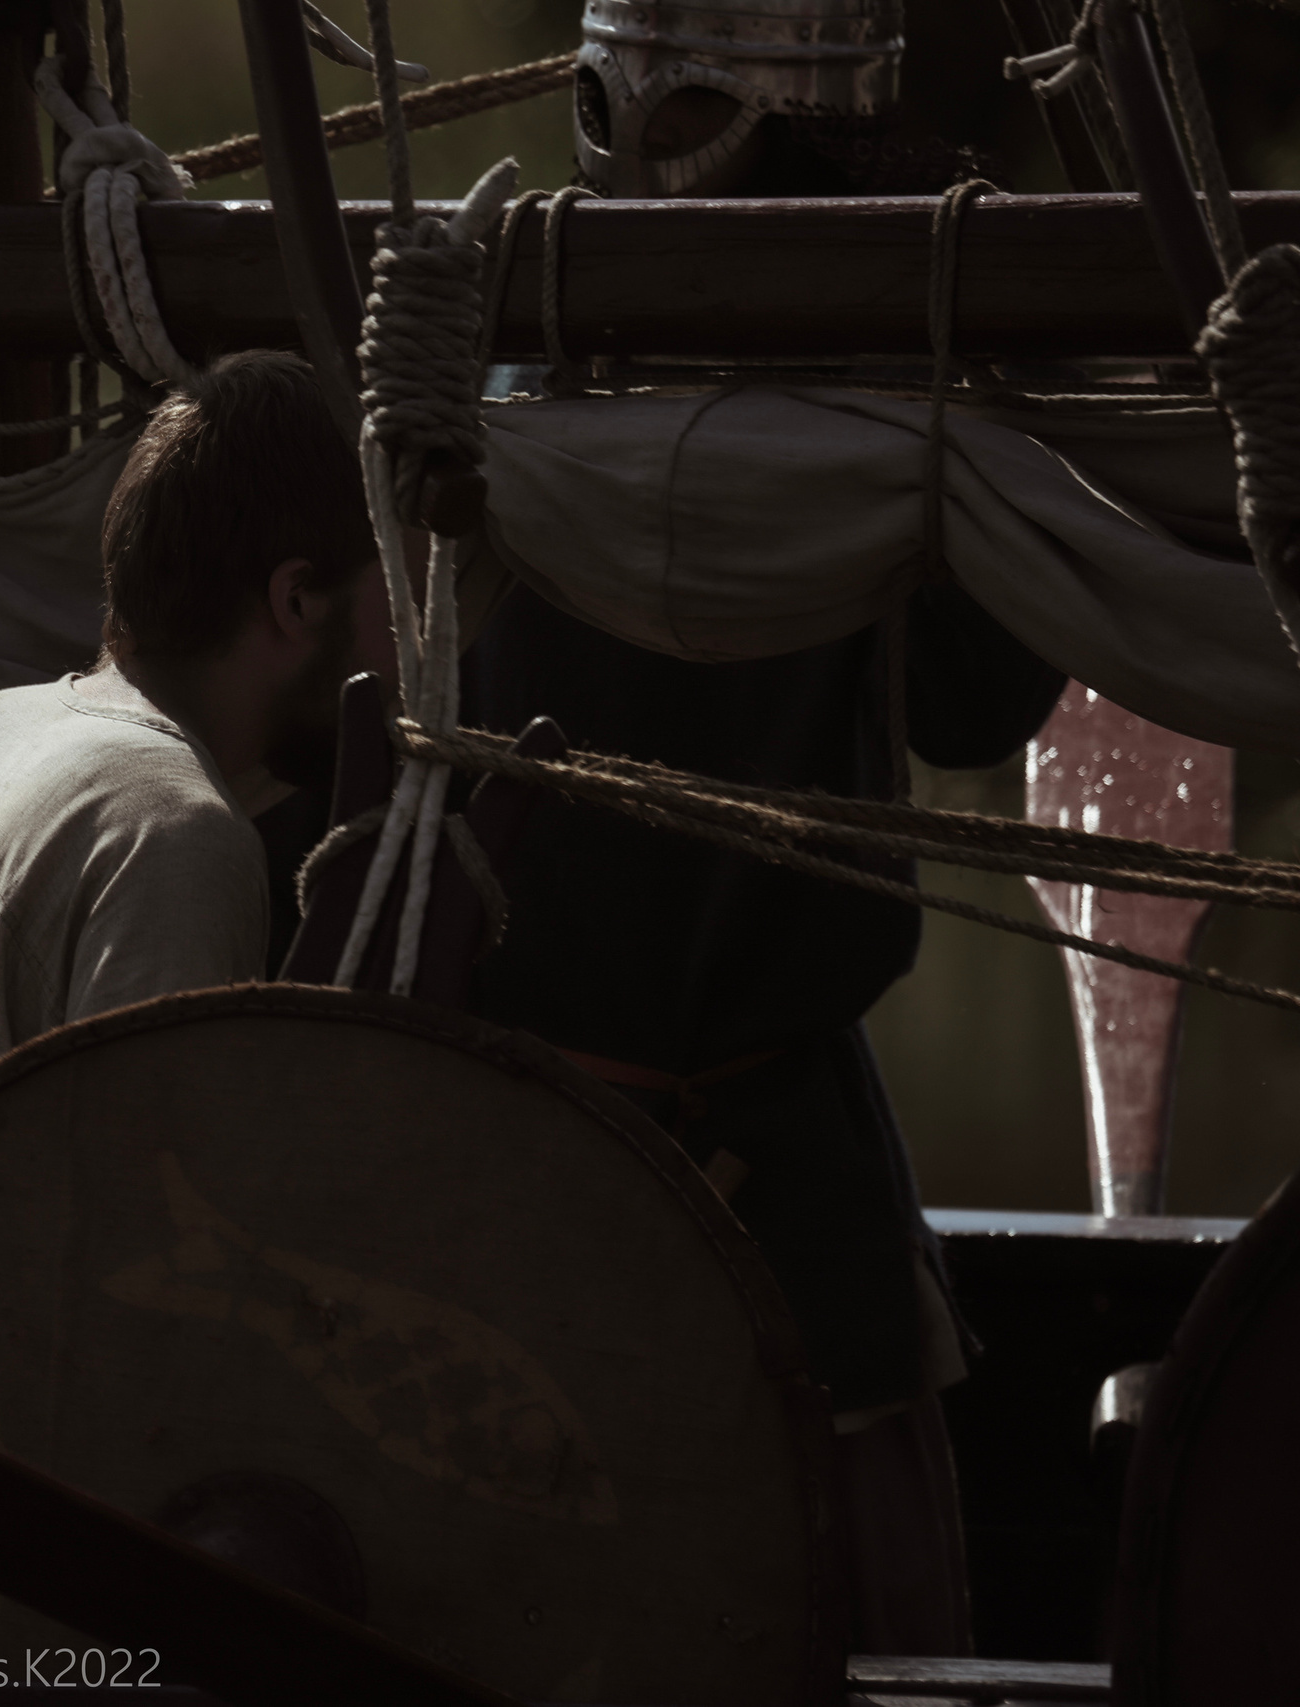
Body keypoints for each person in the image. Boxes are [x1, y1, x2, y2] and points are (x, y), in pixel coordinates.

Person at [451, 0, 1063, 1655]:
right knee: (865, 1625)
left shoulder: (490, 331)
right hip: (718, 1169)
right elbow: (975, 706)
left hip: (538, 1164)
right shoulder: (886, 388)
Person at [0, 351, 392, 1247]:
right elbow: (146, 1274)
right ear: (297, 598)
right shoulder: (175, 835)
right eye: (393, 602)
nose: (409, 663)